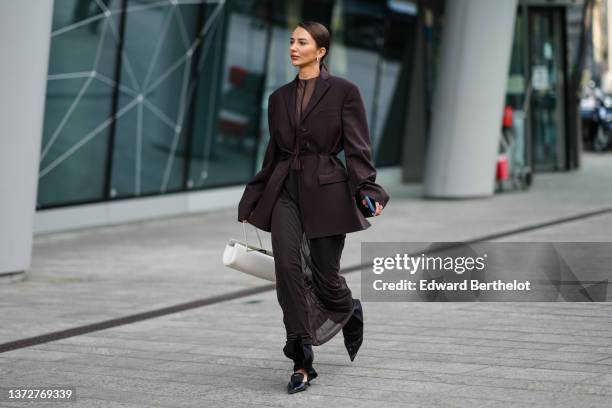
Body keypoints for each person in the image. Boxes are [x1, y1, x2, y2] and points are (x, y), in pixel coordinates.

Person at [237, 21, 389, 394]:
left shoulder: (344, 92)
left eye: (301, 42)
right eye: (291, 40)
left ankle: (348, 308)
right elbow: (273, 155)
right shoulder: (278, 99)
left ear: (320, 51)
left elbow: (357, 146)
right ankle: (301, 359)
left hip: (327, 191)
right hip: (286, 192)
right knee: (287, 269)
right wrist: (253, 196)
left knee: (325, 277)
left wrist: (368, 189)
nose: (292, 47)